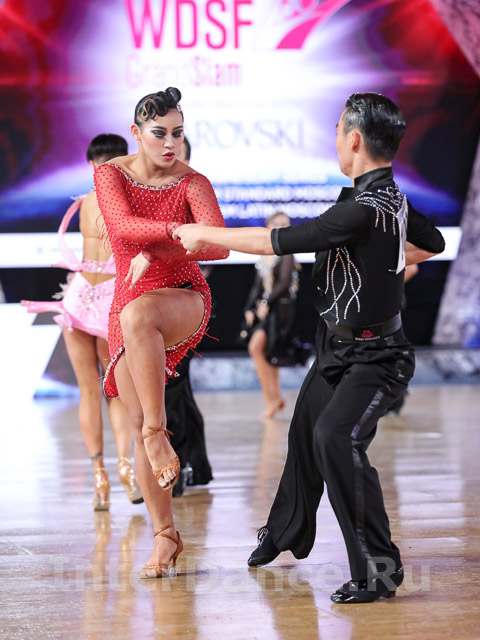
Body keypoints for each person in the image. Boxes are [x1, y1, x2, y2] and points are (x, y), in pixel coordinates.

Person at [174, 92, 445, 602]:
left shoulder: (362, 209)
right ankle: (284, 532)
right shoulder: (388, 199)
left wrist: (202, 233)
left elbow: (272, 243)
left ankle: (380, 569)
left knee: (334, 438)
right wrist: (380, 260)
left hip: (378, 357)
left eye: (339, 129)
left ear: (355, 139)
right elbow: (435, 243)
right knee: (304, 435)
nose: (336, 138)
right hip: (336, 350)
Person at [93, 87, 228, 578]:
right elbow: (122, 227)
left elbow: (217, 247)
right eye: (159, 133)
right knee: (132, 418)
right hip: (127, 301)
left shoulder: (193, 181)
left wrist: (159, 252)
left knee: (139, 320)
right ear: (136, 132)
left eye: (177, 133)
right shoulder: (110, 174)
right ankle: (165, 535)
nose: (170, 143)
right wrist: (173, 233)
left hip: (183, 296)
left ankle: (157, 433)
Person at [22, 134, 143, 511]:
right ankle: (124, 468)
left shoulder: (87, 200)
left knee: (90, 391)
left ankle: (100, 477)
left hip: (78, 296)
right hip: (107, 299)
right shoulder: (123, 201)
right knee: (115, 390)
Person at [165, 136, 214, 497]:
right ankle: (194, 465)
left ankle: (179, 467)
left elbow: (211, 245)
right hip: (151, 297)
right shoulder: (153, 190)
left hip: (183, 299)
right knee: (177, 390)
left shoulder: (194, 192)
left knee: (173, 387)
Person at [243, 211, 299, 418]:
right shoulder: (264, 252)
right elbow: (257, 286)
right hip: (265, 310)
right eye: (278, 223)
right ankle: (275, 398)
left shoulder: (287, 252)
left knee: (257, 348)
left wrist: (266, 302)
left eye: (286, 224)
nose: (282, 227)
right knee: (265, 353)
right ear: (268, 226)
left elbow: (283, 284)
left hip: (280, 309)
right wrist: (249, 308)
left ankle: (271, 399)